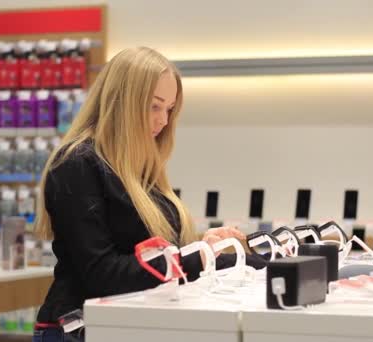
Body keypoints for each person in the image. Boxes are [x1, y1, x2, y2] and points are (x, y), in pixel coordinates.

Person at [33, 47, 266, 342]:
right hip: (79, 330)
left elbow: (159, 255)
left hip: (129, 324)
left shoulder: (139, 169)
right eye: (154, 107)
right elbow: (101, 272)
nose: (164, 121)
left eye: (169, 109)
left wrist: (206, 247)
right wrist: (199, 258)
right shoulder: (76, 164)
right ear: (122, 102)